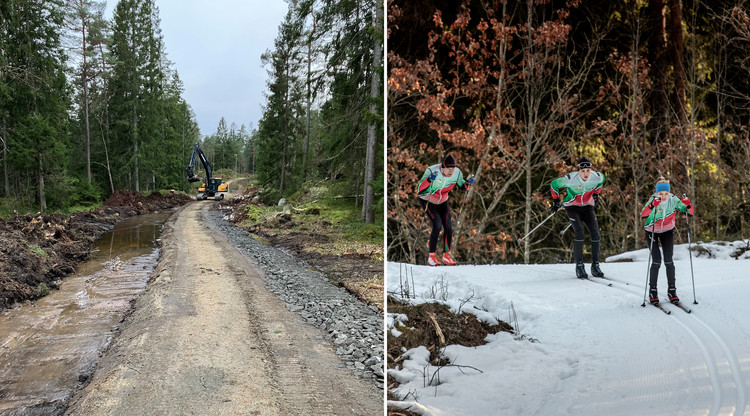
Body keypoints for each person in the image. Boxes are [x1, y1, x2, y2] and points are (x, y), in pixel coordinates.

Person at [640, 178, 693, 305]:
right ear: (657, 193)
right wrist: (652, 205)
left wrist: (687, 204)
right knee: (657, 261)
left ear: (669, 193)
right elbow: (643, 214)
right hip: (651, 231)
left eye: (665, 193)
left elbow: (689, 213)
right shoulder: (653, 200)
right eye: (661, 194)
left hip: (667, 231)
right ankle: (653, 291)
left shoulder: (673, 200)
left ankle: (672, 291)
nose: (663, 196)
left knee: (669, 261)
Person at [550, 157, 605, 279]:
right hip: (572, 208)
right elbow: (554, 184)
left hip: (587, 207)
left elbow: (601, 182)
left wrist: (596, 195)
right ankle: (579, 266)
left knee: (595, 234)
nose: (585, 174)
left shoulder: (597, 177)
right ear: (578, 170)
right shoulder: (571, 179)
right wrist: (556, 201)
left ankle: (595, 266)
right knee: (580, 233)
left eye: (588, 170)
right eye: (583, 171)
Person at [416, 154, 475, 266]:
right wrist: (429, 180)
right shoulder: (431, 170)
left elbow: (463, 187)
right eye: (448, 168)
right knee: (437, 225)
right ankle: (431, 257)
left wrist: (469, 183)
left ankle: (446, 256)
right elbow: (419, 189)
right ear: (442, 166)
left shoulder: (456, 173)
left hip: (442, 200)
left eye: (452, 168)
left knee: (448, 226)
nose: (450, 171)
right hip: (428, 199)